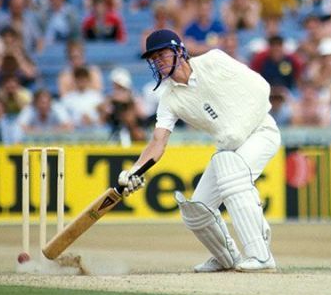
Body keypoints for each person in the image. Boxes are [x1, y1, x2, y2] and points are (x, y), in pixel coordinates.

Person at [117, 29, 280, 272]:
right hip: (229, 147)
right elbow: (158, 142)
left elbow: (261, 88)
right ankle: (228, 259)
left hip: (261, 132)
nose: (158, 61)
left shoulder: (214, 61)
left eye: (162, 54)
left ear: (179, 51)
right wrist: (135, 170)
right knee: (196, 211)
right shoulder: (169, 99)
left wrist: (236, 131)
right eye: (153, 58)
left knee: (229, 168)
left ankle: (260, 255)